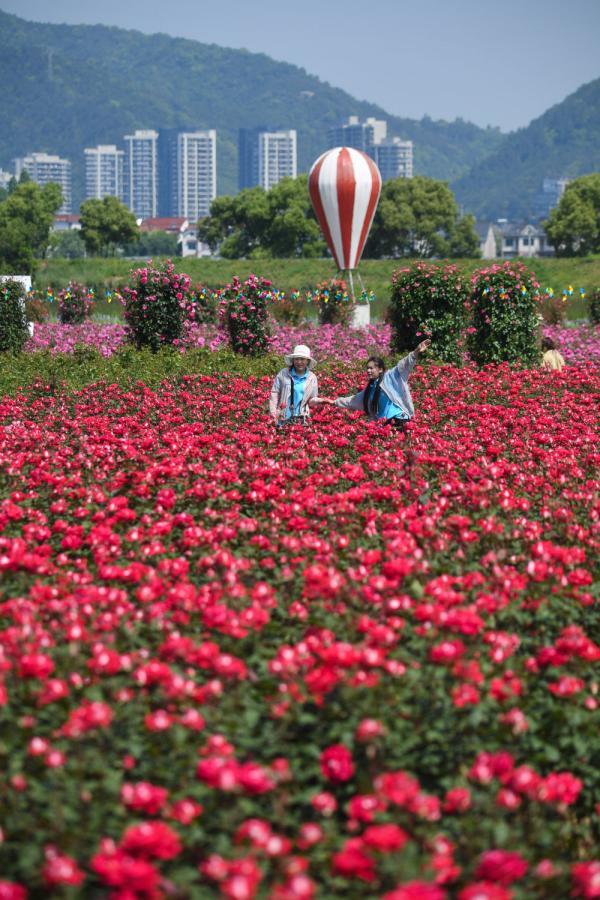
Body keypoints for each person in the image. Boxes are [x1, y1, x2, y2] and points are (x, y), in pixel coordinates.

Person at [311, 339, 431, 428]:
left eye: (372, 368)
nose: (368, 370)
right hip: (384, 424)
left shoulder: (390, 377)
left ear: (380, 370)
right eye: (367, 368)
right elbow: (352, 400)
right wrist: (331, 402)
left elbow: (403, 365)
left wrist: (415, 352)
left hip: (399, 419)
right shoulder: (369, 389)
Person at [269, 344, 318, 426]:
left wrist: (322, 401)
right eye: (297, 359)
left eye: (302, 359)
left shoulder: (312, 377)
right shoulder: (283, 373)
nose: (299, 362)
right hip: (283, 417)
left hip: (301, 419)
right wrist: (273, 413)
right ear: (293, 360)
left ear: (307, 361)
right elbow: (275, 392)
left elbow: (312, 398)